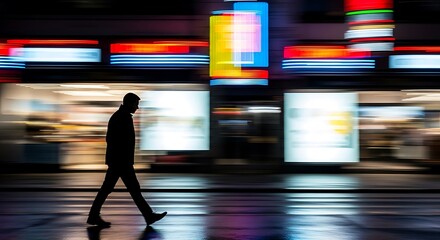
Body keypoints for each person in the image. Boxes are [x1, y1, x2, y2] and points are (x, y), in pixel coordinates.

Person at [87, 92, 167, 227]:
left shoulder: (121, 116)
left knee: (114, 189)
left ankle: (94, 215)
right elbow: (114, 140)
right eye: (136, 104)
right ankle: (148, 216)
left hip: (120, 161)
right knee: (126, 189)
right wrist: (123, 159)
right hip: (120, 162)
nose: (137, 107)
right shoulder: (121, 117)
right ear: (129, 103)